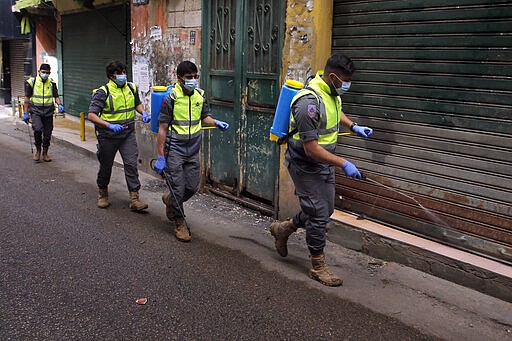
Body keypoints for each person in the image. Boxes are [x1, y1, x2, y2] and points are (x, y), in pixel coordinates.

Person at [269, 53, 373, 287]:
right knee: (318, 214)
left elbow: (336, 111)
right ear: (334, 76)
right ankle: (318, 265)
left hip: (324, 163)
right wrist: (343, 163)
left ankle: (284, 228)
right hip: (305, 164)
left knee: (324, 209)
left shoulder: (331, 93)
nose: (348, 85)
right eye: (345, 80)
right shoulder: (308, 104)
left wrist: (354, 126)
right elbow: (311, 149)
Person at [153, 61, 230, 242]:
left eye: (195, 76)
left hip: (193, 150)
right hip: (175, 151)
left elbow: (205, 117)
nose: (193, 80)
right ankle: (179, 222)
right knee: (179, 189)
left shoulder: (200, 96)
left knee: (192, 187)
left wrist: (216, 122)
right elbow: (162, 128)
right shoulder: (171, 98)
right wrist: (161, 156)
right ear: (179, 79)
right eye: (189, 78)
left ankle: (170, 200)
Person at [87, 60, 151, 211]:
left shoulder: (131, 87)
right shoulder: (103, 92)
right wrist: (109, 125)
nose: (123, 75)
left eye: (124, 72)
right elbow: (91, 115)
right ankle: (103, 194)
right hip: (108, 136)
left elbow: (137, 103)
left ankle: (134, 199)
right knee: (106, 166)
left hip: (127, 134)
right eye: (119, 73)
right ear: (111, 76)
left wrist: (143, 112)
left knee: (131, 164)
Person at [23, 63, 65, 162]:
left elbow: (56, 96)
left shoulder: (51, 83)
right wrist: (25, 113)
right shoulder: (31, 82)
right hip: (36, 111)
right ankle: (38, 150)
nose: (45, 74)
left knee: (47, 133)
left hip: (48, 112)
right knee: (37, 130)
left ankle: (45, 153)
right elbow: (27, 98)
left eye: (47, 73)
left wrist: (60, 104)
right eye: (43, 72)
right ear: (39, 72)